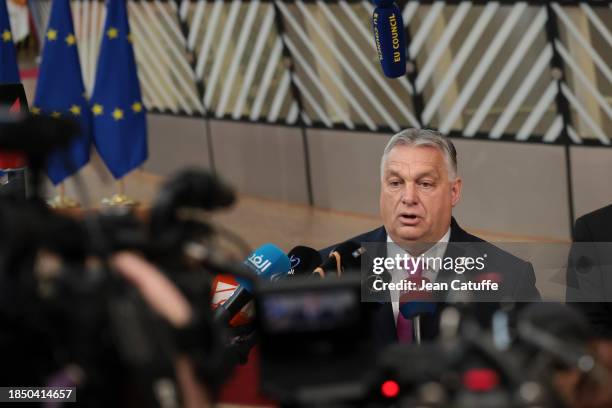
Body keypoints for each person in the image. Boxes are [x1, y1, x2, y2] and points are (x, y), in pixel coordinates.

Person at [321, 128, 540, 346]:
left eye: (425, 184)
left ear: (454, 192)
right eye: (395, 183)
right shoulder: (332, 269)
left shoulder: (509, 279)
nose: (408, 198)